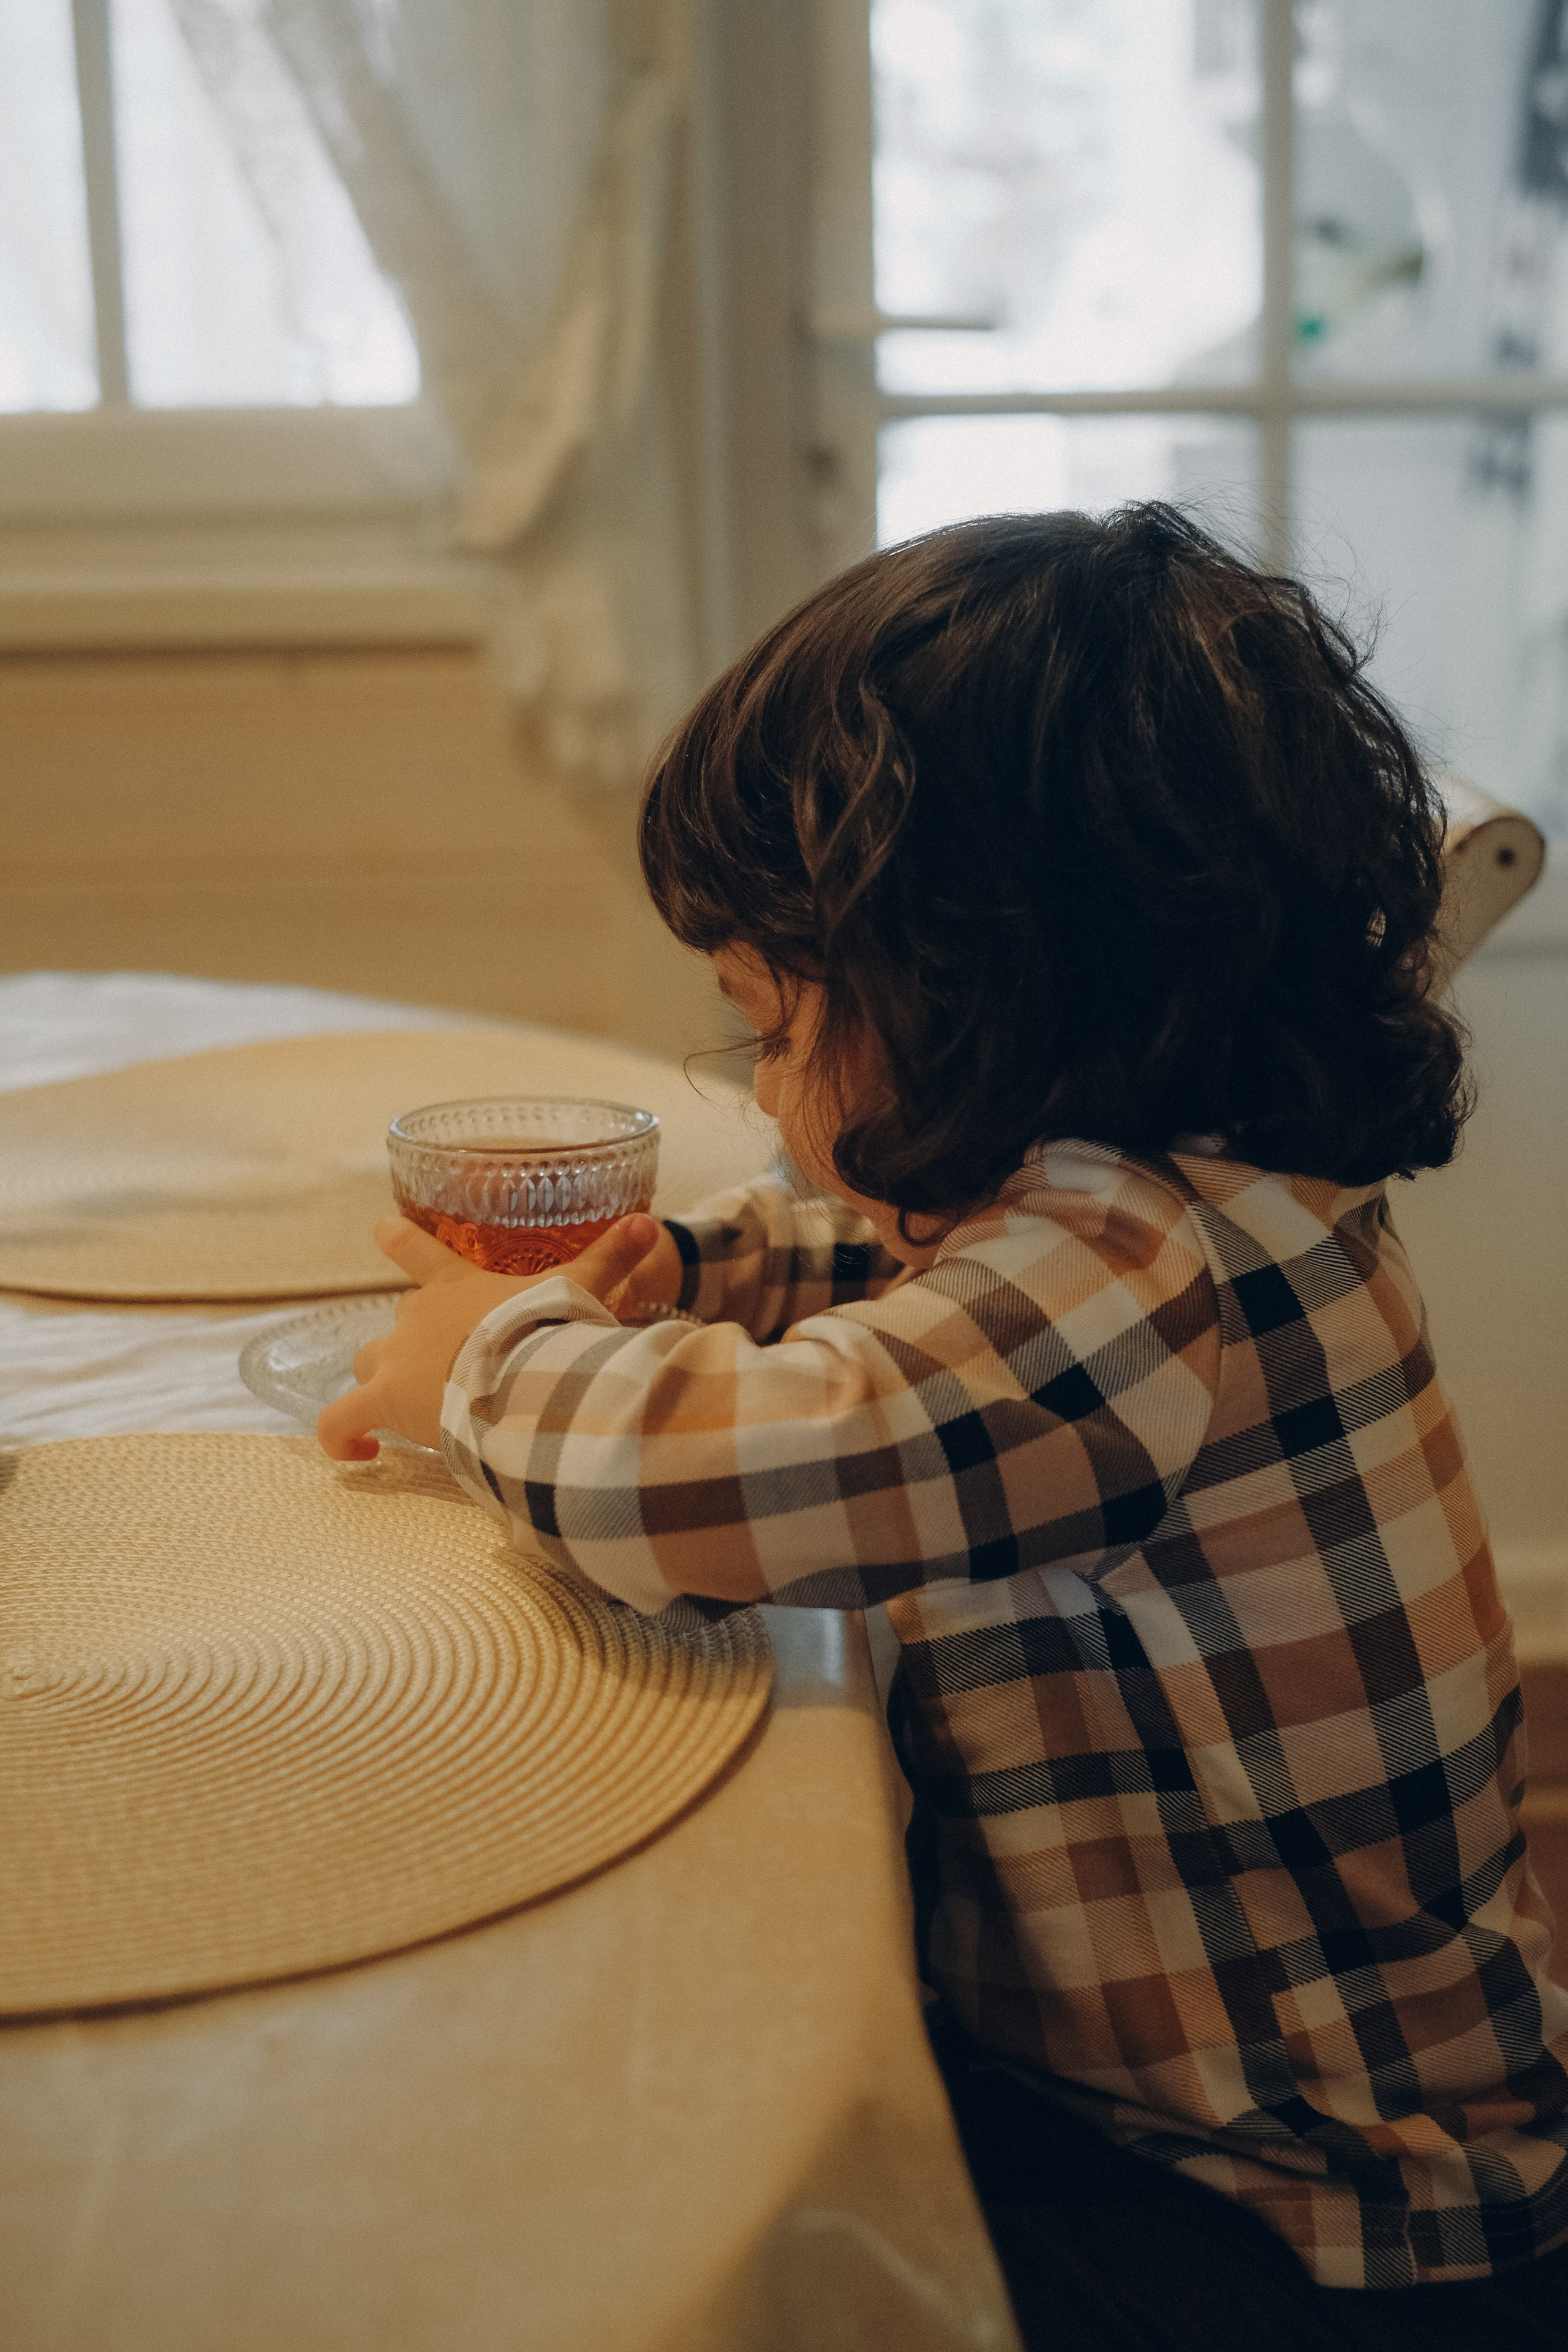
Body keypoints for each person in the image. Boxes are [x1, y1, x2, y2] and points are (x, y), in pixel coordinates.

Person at [318, 505, 1568, 2348]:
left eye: (768, 1022)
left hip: (1298, 2208)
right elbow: (897, 1257)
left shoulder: (1140, 1273)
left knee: (675, 2205)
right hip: (1215, 2094)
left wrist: (479, 1369)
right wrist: (690, 1264)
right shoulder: (1174, 1166)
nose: (758, 1081)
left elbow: (730, 1479)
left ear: (972, 994)